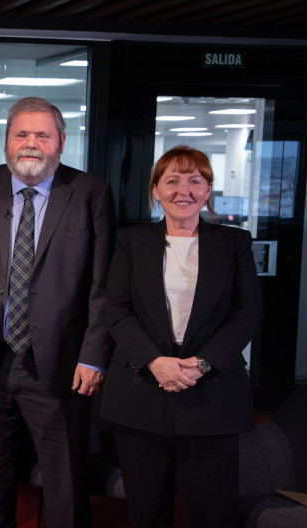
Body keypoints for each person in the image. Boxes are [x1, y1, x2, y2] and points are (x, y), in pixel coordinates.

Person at [0, 96, 116, 527]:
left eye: (42, 134)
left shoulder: (91, 193)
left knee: (64, 485)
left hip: (60, 365)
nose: (31, 143)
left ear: (61, 142)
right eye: (22, 134)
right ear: (6, 143)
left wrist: (93, 355)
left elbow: (103, 285)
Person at [101, 145, 262, 527]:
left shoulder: (234, 243)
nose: (183, 190)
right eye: (172, 180)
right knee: (147, 511)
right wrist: (155, 362)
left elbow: (247, 313)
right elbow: (117, 310)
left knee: (213, 512)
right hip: (142, 387)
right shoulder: (130, 241)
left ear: (208, 190)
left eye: (195, 180)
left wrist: (201, 363)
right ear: (155, 190)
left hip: (212, 392)